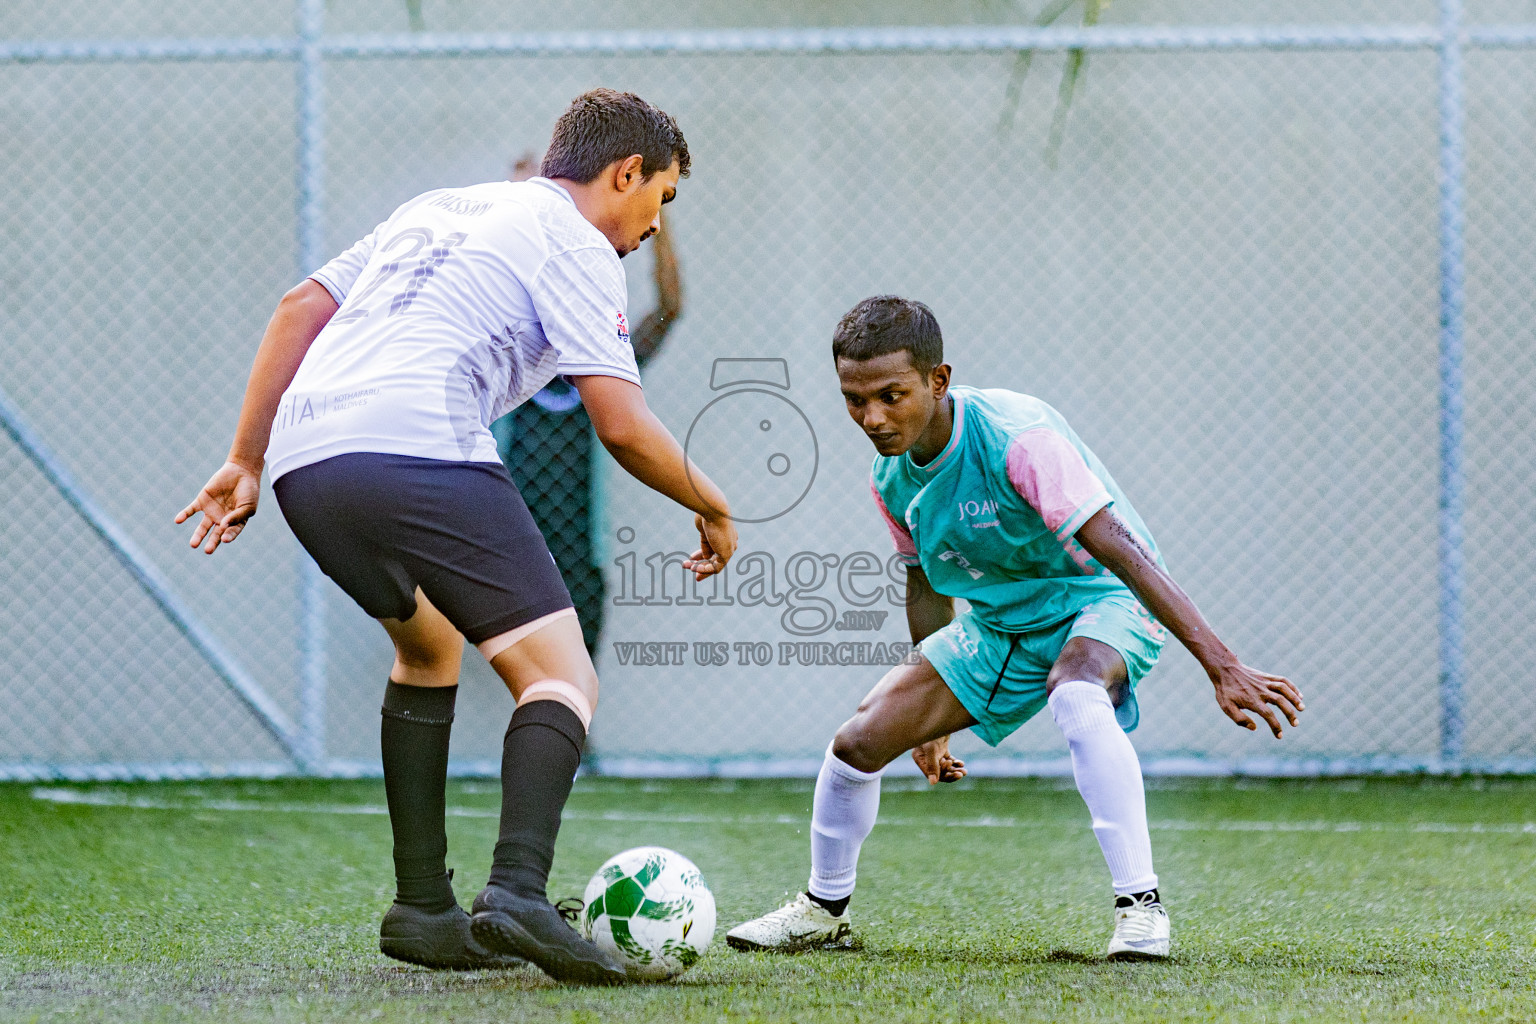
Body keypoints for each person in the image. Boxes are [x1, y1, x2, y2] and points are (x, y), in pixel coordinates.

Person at [175, 89, 736, 985]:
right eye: (660, 198)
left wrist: (244, 458)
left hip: (307, 462)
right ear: (626, 172)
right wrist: (712, 503)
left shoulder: (437, 207)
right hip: (418, 447)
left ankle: (424, 910)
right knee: (561, 675)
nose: (654, 224)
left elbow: (297, 305)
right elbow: (623, 426)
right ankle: (517, 891)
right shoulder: (577, 242)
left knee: (428, 648)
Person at [725, 296, 1302, 960]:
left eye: (891, 396)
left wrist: (1221, 665)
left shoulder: (1017, 438)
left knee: (1076, 688)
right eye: (854, 400)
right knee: (857, 743)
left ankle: (1141, 909)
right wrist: (932, 717)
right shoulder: (891, 477)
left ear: (938, 380)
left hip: (1103, 596)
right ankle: (823, 910)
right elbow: (925, 584)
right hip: (1003, 626)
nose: (873, 418)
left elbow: (1121, 551)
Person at [492, 151, 683, 654]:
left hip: (578, 553)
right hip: (513, 547)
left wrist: (653, 215)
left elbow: (669, 307)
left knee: (576, 672)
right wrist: (518, 203)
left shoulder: (600, 355)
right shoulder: (510, 349)